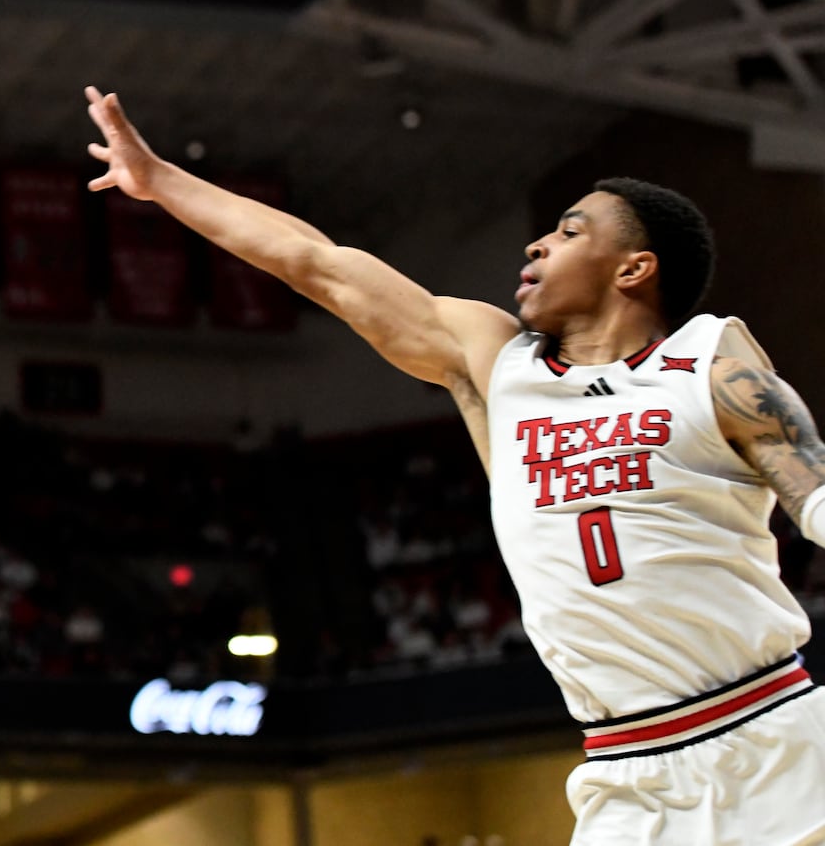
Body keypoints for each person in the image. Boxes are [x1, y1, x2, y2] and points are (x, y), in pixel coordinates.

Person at [83, 85, 825, 843]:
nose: (536, 245)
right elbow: (320, 264)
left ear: (634, 270)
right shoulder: (497, 364)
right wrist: (161, 181)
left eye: (569, 233)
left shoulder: (704, 358)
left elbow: (813, 487)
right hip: (628, 771)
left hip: (777, 740)